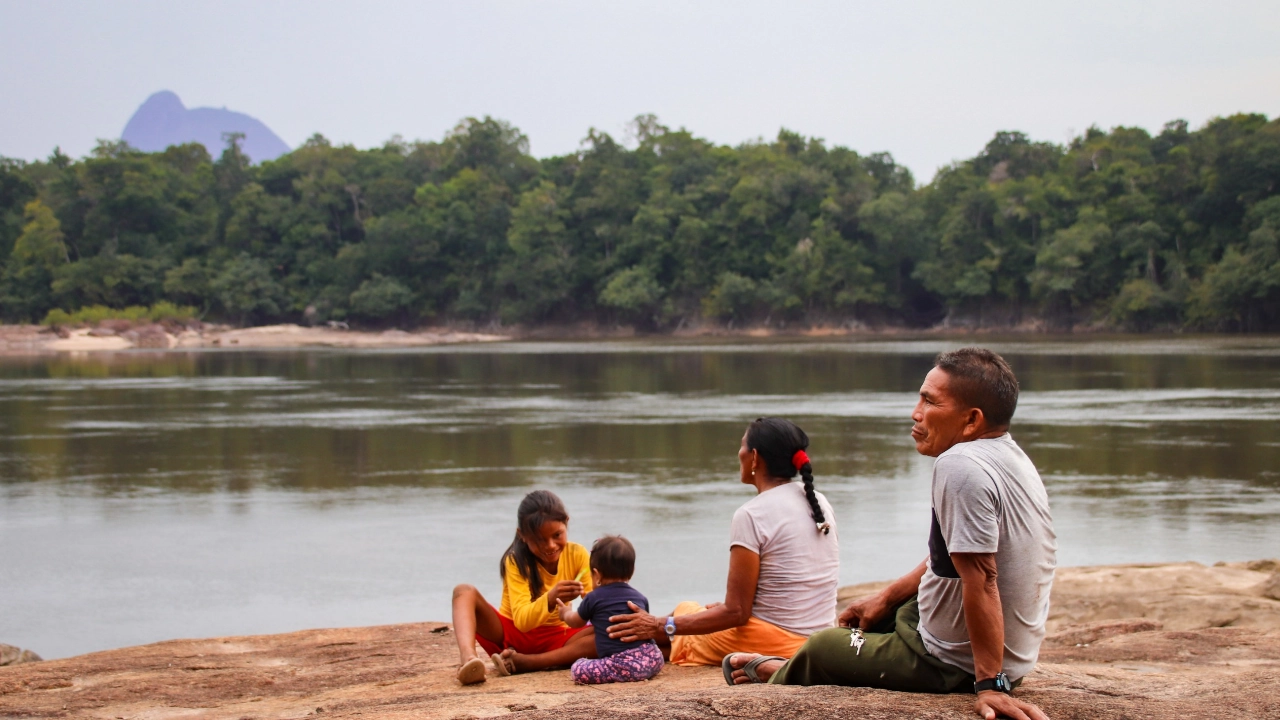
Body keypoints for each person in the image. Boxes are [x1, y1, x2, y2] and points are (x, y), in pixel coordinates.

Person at [725, 348, 1057, 720]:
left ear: (971, 420)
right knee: (875, 619)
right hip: (992, 644)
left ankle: (781, 671)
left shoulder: (959, 464)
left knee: (823, 646)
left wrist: (989, 684)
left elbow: (981, 576)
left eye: (929, 402)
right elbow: (950, 554)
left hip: (953, 661)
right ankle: (822, 657)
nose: (915, 413)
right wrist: (885, 598)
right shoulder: (1010, 455)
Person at [606, 417, 840, 668]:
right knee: (688, 611)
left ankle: (619, 640)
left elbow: (736, 613)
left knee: (678, 627)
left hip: (776, 642)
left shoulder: (751, 514)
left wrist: (658, 624)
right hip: (818, 638)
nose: (738, 452)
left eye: (741, 446)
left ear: (754, 457)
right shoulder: (818, 500)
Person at [450, 490, 595, 685]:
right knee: (463, 591)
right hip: (511, 635)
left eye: (557, 535)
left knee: (608, 634)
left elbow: (595, 604)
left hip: (558, 639)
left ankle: (528, 663)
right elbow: (522, 622)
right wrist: (550, 598)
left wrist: (591, 601)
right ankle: (469, 661)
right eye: (540, 540)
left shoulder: (578, 554)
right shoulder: (516, 561)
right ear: (523, 536)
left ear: (566, 523)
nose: (550, 545)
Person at [555, 535, 664, 684]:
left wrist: (565, 613)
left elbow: (576, 622)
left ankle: (631, 672)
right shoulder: (641, 598)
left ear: (597, 574)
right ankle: (641, 670)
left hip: (622, 665)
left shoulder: (593, 598)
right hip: (653, 659)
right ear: (631, 572)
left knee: (578, 668)